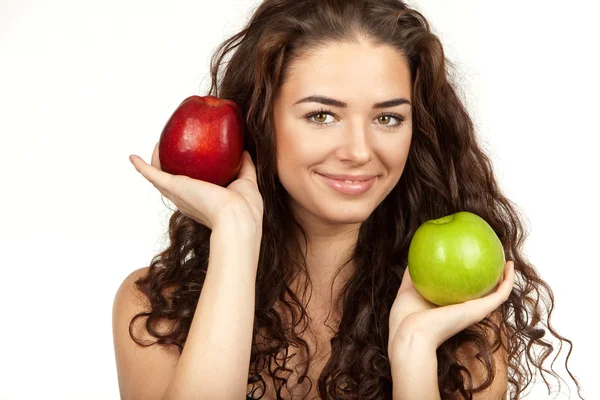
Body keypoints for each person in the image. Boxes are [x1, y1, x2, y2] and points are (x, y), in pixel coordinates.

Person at [112, 0, 583, 399]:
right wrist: (236, 234)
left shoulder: (462, 322)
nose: (359, 151)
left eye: (388, 119)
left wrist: (414, 354)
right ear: (259, 120)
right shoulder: (156, 310)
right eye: (321, 115)